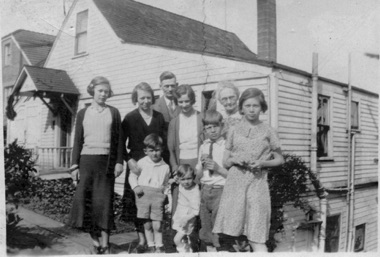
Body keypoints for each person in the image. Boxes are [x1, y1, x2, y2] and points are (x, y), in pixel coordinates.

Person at [213, 88, 284, 252]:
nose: (251, 110)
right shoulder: (233, 130)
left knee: (256, 235)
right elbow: (225, 161)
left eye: (256, 106)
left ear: (262, 107)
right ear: (241, 108)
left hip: (257, 183)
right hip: (235, 184)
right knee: (231, 235)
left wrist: (262, 163)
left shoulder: (269, 131)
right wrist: (235, 159)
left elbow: (280, 159)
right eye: (247, 106)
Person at [68, 76, 124, 254]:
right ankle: (95, 242)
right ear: (92, 90)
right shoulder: (82, 113)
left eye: (106, 91)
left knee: (104, 203)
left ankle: (106, 244)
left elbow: (119, 140)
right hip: (86, 162)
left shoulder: (113, 112)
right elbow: (77, 140)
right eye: (100, 90)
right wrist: (74, 166)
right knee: (87, 203)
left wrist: (118, 162)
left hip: (106, 163)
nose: (103, 94)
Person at [121, 82, 166, 253]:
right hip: (137, 167)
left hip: (155, 166)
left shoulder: (159, 117)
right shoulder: (130, 118)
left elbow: (164, 145)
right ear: (136, 99)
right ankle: (141, 240)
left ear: (152, 98)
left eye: (148, 97)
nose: (145, 101)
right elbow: (120, 143)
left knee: (154, 203)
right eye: (142, 98)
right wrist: (128, 160)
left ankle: (156, 240)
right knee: (137, 203)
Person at [128, 134, 170, 253]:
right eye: (151, 151)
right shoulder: (141, 163)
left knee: (157, 224)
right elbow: (132, 176)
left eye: (157, 150)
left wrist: (165, 195)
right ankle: (151, 245)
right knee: (147, 224)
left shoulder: (165, 167)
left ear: (161, 150)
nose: (154, 154)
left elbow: (166, 184)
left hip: (157, 197)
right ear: (145, 151)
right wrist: (135, 186)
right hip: (143, 196)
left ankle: (159, 246)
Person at [195, 110, 228, 251]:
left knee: (219, 228)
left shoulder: (227, 146)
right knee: (206, 226)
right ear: (205, 130)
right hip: (205, 189)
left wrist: (217, 167)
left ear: (222, 126)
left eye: (216, 126)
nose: (213, 130)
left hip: (220, 190)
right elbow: (198, 173)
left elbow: (232, 175)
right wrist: (201, 167)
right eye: (209, 127)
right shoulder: (203, 146)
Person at [167, 84, 203, 172]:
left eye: (187, 101)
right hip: (181, 163)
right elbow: (171, 149)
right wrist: (175, 167)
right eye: (180, 102)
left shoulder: (201, 118)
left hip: (199, 162)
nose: (184, 105)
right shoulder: (174, 122)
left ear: (192, 100)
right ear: (176, 102)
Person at [171, 164, 201, 253]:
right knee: (183, 238)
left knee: (177, 240)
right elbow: (176, 181)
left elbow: (196, 211)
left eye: (189, 178)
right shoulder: (181, 185)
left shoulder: (195, 191)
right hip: (180, 215)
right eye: (183, 179)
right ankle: (188, 248)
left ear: (193, 177)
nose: (186, 182)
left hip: (187, 218)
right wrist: (174, 179)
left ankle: (184, 251)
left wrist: (186, 219)